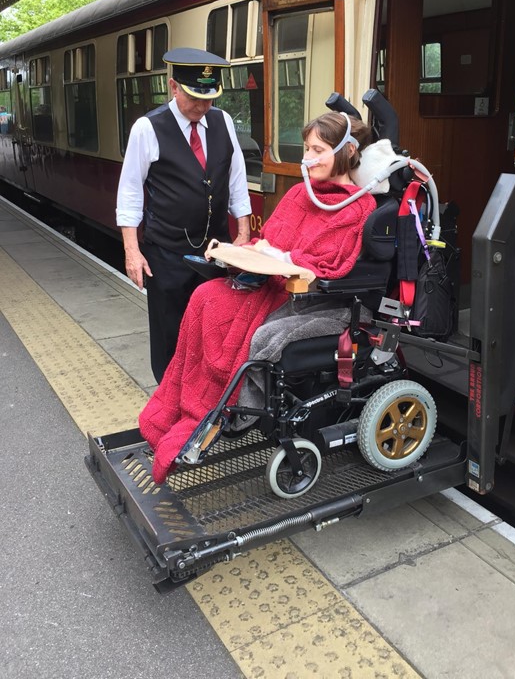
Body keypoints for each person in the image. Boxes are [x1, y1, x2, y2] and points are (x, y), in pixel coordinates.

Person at [139, 111, 377, 483]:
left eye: (318, 150)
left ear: (345, 152)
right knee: (205, 295)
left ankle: (224, 409)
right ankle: (189, 405)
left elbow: (332, 262)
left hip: (311, 297)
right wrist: (250, 250)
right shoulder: (301, 193)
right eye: (307, 149)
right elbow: (276, 237)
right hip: (271, 282)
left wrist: (282, 258)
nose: (308, 158)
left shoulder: (360, 207)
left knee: (239, 323)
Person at [116, 48, 252, 383]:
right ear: (173, 86)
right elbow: (130, 192)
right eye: (195, 97)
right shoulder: (147, 128)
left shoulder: (222, 123)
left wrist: (244, 234)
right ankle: (168, 401)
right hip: (167, 254)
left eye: (209, 98)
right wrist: (132, 251)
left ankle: (207, 400)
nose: (203, 106)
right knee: (170, 333)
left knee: (214, 329)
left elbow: (236, 178)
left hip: (215, 251)